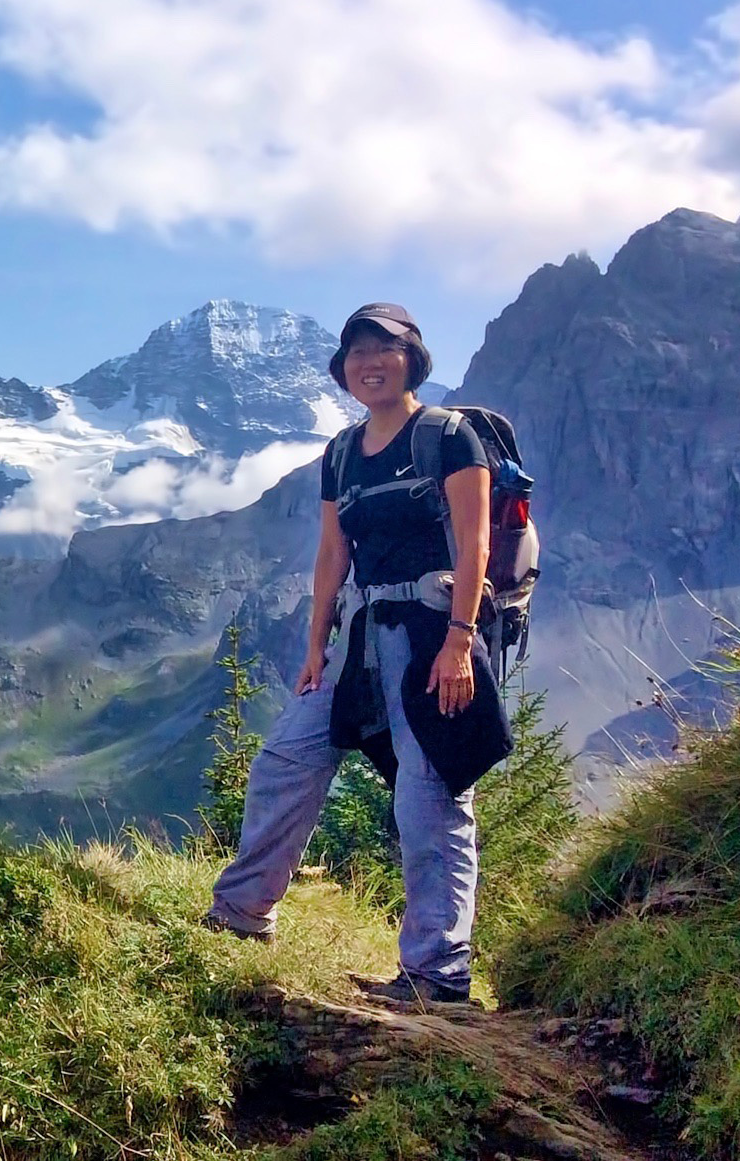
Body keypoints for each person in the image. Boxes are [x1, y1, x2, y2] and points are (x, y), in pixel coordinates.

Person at [203, 303, 513, 1005]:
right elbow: (330, 554)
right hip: (360, 638)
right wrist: (316, 646)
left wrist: (460, 641)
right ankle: (241, 913)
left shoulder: (448, 437)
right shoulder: (340, 453)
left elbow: (474, 546)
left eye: (384, 349)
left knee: (428, 797)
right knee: (285, 759)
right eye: (355, 353)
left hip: (434, 633)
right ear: (341, 369)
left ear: (412, 359)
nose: (368, 363)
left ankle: (436, 971)